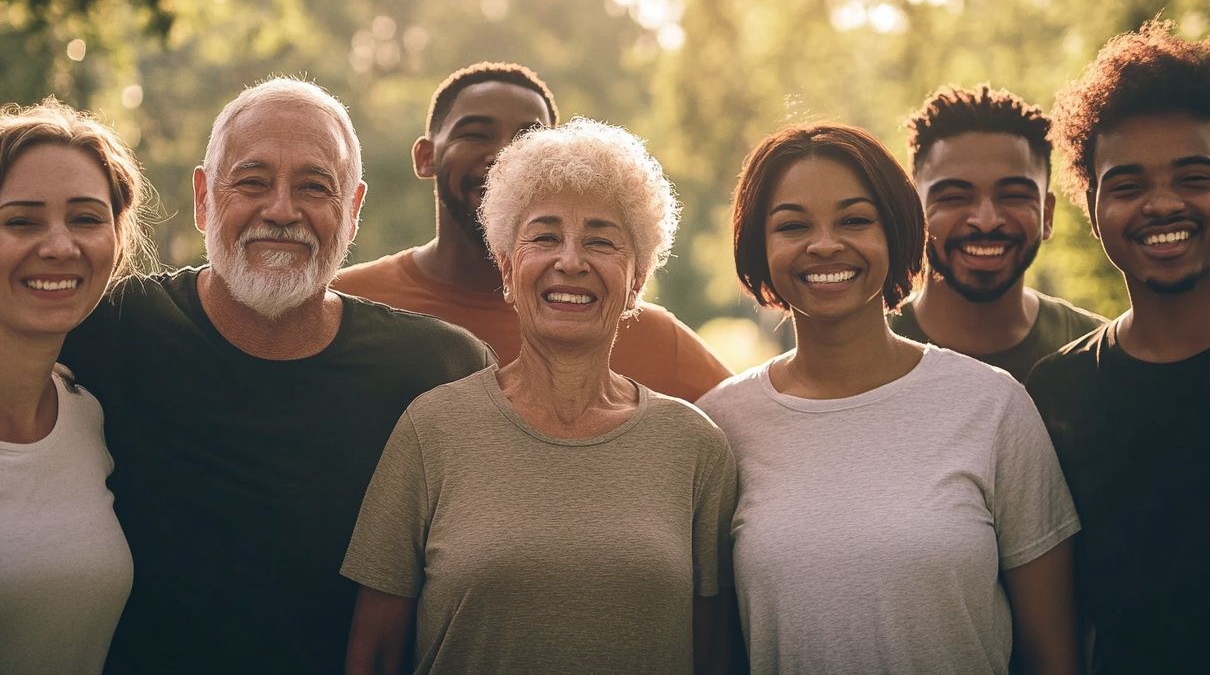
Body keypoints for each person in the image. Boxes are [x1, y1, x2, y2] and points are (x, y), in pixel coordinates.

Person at [58, 79, 495, 675]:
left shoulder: (438, 370)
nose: (282, 210)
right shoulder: (106, 327)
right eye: (253, 181)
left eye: (314, 186)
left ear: (354, 208)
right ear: (204, 196)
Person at [342, 118, 737, 675]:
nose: (570, 261)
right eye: (545, 236)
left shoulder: (695, 448)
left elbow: (716, 654)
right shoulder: (431, 431)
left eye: (601, 240)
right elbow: (375, 656)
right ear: (507, 268)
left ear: (637, 277)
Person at [698, 122, 1081, 675]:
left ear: (897, 231)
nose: (825, 243)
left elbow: (1055, 658)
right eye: (792, 225)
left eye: (855, 220)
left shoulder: (994, 407)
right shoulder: (720, 426)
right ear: (758, 245)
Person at [334, 62, 730, 401]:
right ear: (426, 157)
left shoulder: (650, 338)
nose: (506, 156)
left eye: (528, 138)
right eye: (475, 133)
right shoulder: (344, 306)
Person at [1029, 21, 1210, 674]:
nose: (1162, 204)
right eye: (1128, 185)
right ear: (1092, 209)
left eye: (1192, 176)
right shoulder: (1057, 396)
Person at [0, 98, 155, 675]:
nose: (61, 246)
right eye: (21, 221)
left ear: (116, 241)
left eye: (86, 218)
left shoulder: (86, 417)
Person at [889, 84, 1105, 381]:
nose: (986, 221)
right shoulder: (861, 353)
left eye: (1013, 195)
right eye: (954, 197)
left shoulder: (1101, 359)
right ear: (913, 213)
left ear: (1047, 214)